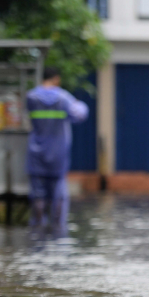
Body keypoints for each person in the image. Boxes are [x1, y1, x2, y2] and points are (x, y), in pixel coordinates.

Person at [26, 67, 89, 237]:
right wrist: (79, 104)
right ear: (57, 79)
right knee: (59, 195)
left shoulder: (31, 97)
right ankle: (58, 230)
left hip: (36, 153)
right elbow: (81, 114)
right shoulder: (64, 98)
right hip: (58, 153)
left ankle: (37, 229)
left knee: (38, 194)